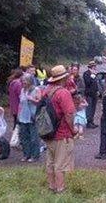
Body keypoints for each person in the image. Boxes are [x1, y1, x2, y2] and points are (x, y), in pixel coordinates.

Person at [44, 65, 76, 193]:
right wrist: (72, 130)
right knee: (60, 164)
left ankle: (51, 186)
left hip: (48, 132)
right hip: (62, 133)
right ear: (64, 78)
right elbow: (69, 114)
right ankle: (60, 189)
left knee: (50, 162)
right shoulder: (63, 93)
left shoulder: (47, 91)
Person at [18, 73, 41, 162]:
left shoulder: (36, 89)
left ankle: (34, 155)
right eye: (22, 80)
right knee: (24, 137)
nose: (23, 82)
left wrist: (31, 99)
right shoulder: (22, 90)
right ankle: (26, 154)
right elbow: (20, 103)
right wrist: (18, 115)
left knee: (34, 137)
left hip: (32, 116)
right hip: (23, 116)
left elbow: (39, 102)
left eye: (25, 80)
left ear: (30, 81)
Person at [83, 61, 99, 129]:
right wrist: (92, 76)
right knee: (89, 108)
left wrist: (97, 90)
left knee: (93, 108)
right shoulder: (86, 73)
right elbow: (87, 83)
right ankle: (88, 122)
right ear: (91, 67)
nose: (95, 67)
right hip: (89, 94)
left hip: (94, 93)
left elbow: (95, 83)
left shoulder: (94, 74)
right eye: (94, 66)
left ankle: (91, 121)